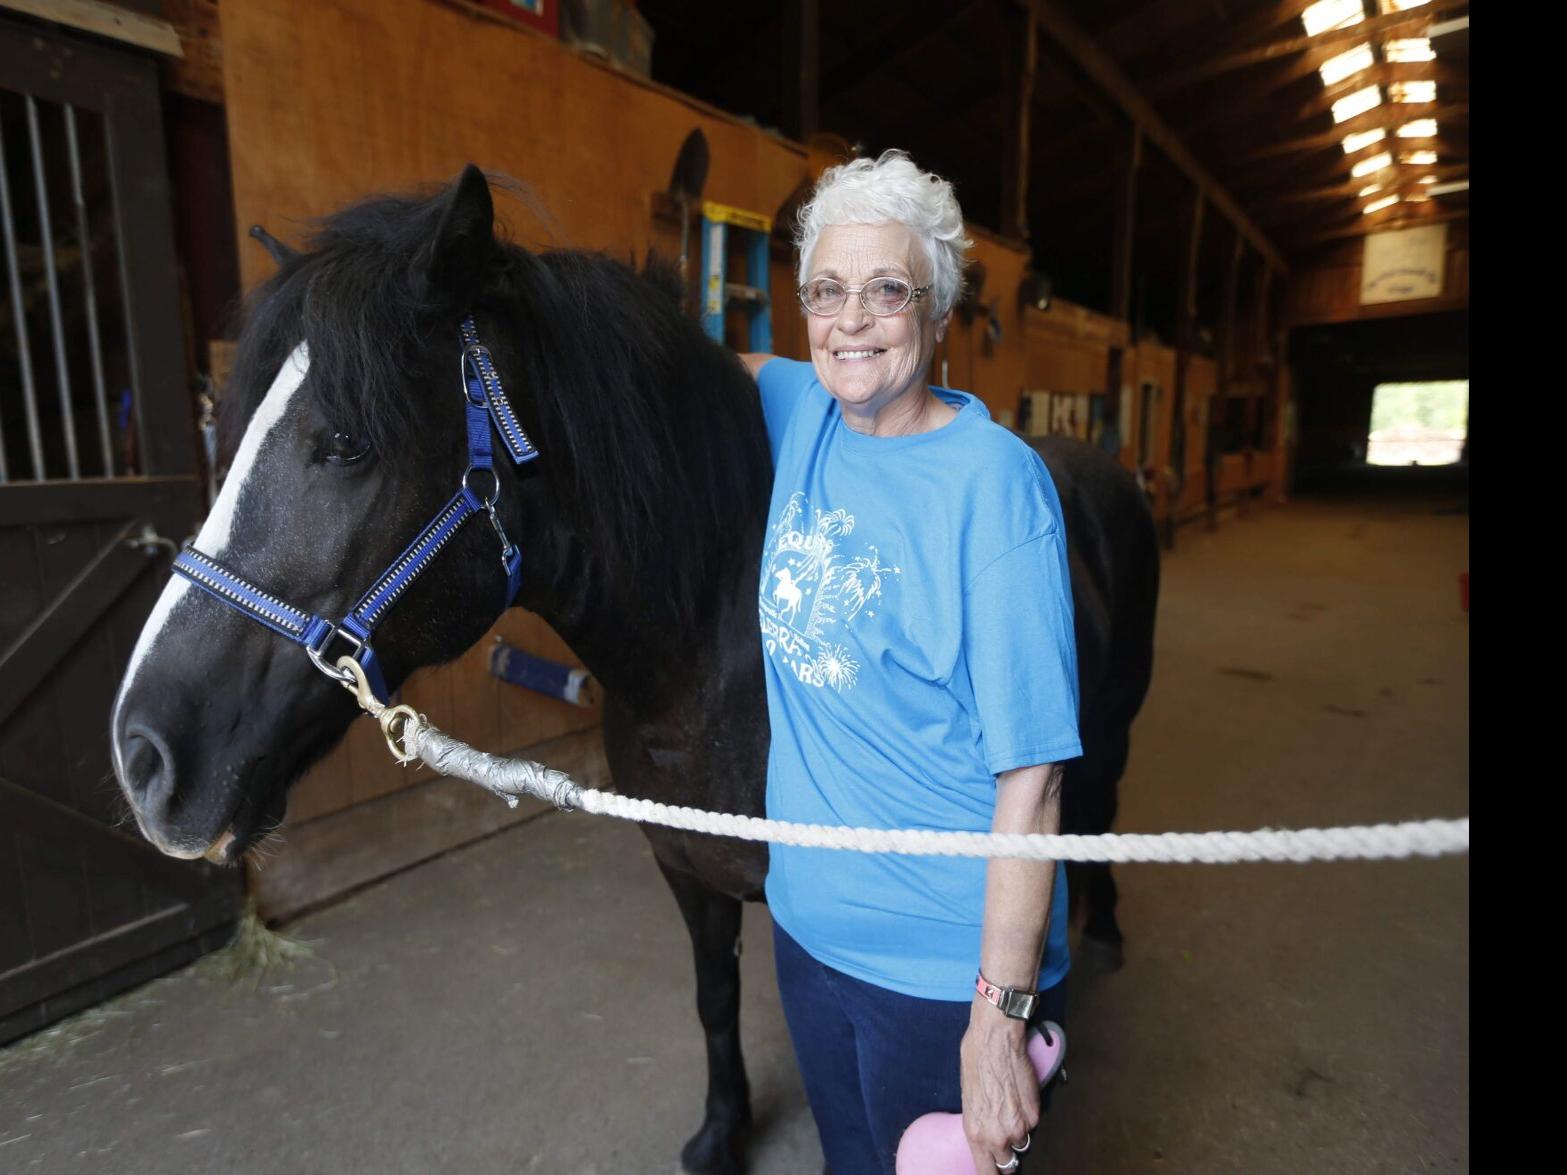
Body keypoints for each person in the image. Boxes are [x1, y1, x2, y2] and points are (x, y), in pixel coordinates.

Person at [741, 150, 1081, 1175]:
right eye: (826, 291)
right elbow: (706, 367)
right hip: (806, 934)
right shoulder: (803, 407)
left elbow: (1035, 779)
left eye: (888, 290)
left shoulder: (994, 489)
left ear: (936, 313)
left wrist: (995, 1019)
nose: (852, 320)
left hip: (939, 969)